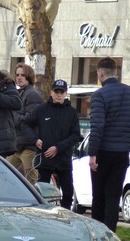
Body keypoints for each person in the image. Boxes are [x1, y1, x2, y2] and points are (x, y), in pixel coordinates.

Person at [88, 57, 130, 232]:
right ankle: (111, 234)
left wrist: (92, 154)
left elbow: (97, 126)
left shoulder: (99, 95)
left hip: (103, 151)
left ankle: (97, 233)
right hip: (122, 153)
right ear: (115, 73)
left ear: (100, 73)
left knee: (99, 196)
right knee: (113, 196)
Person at [25, 79, 80, 209]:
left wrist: (58, 148)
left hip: (63, 159)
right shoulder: (42, 109)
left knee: (67, 192)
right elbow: (25, 124)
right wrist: (35, 140)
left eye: (62, 92)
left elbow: (75, 135)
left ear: (66, 93)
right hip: (45, 159)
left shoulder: (72, 113)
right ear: (51, 92)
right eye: (56, 91)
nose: (59, 95)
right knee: (42, 192)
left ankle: (65, 217)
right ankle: (43, 214)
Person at [5, 63, 45, 184]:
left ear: (29, 77)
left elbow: (31, 119)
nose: (19, 78)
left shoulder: (32, 94)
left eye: (23, 75)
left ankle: (37, 202)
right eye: (17, 75)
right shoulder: (19, 93)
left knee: (31, 182)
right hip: (17, 145)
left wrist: (11, 116)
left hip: (29, 147)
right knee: (3, 174)